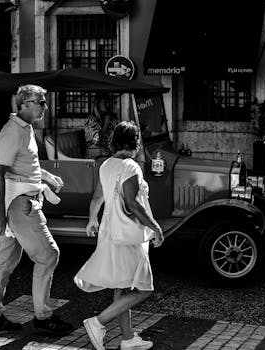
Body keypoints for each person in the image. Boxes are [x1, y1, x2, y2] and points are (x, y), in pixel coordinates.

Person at [0, 84, 73, 336]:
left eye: (44, 101)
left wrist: (47, 175)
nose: (46, 106)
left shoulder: (26, 129)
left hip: (23, 200)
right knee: (48, 255)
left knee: (4, 262)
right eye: (40, 102)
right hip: (22, 204)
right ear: (24, 105)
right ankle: (43, 318)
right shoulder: (12, 133)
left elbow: (24, 165)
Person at [74, 121, 164, 350]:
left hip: (110, 232)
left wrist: (92, 220)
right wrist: (155, 227)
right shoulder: (130, 166)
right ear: (135, 142)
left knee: (121, 286)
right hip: (129, 236)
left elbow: (97, 198)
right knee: (144, 289)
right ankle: (98, 322)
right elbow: (133, 203)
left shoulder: (106, 165)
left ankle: (128, 339)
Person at [84, 94, 118, 158]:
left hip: (109, 154)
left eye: (108, 102)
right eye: (105, 102)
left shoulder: (111, 119)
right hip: (95, 155)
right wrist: (105, 125)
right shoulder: (91, 120)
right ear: (98, 103)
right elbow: (95, 143)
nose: (107, 105)